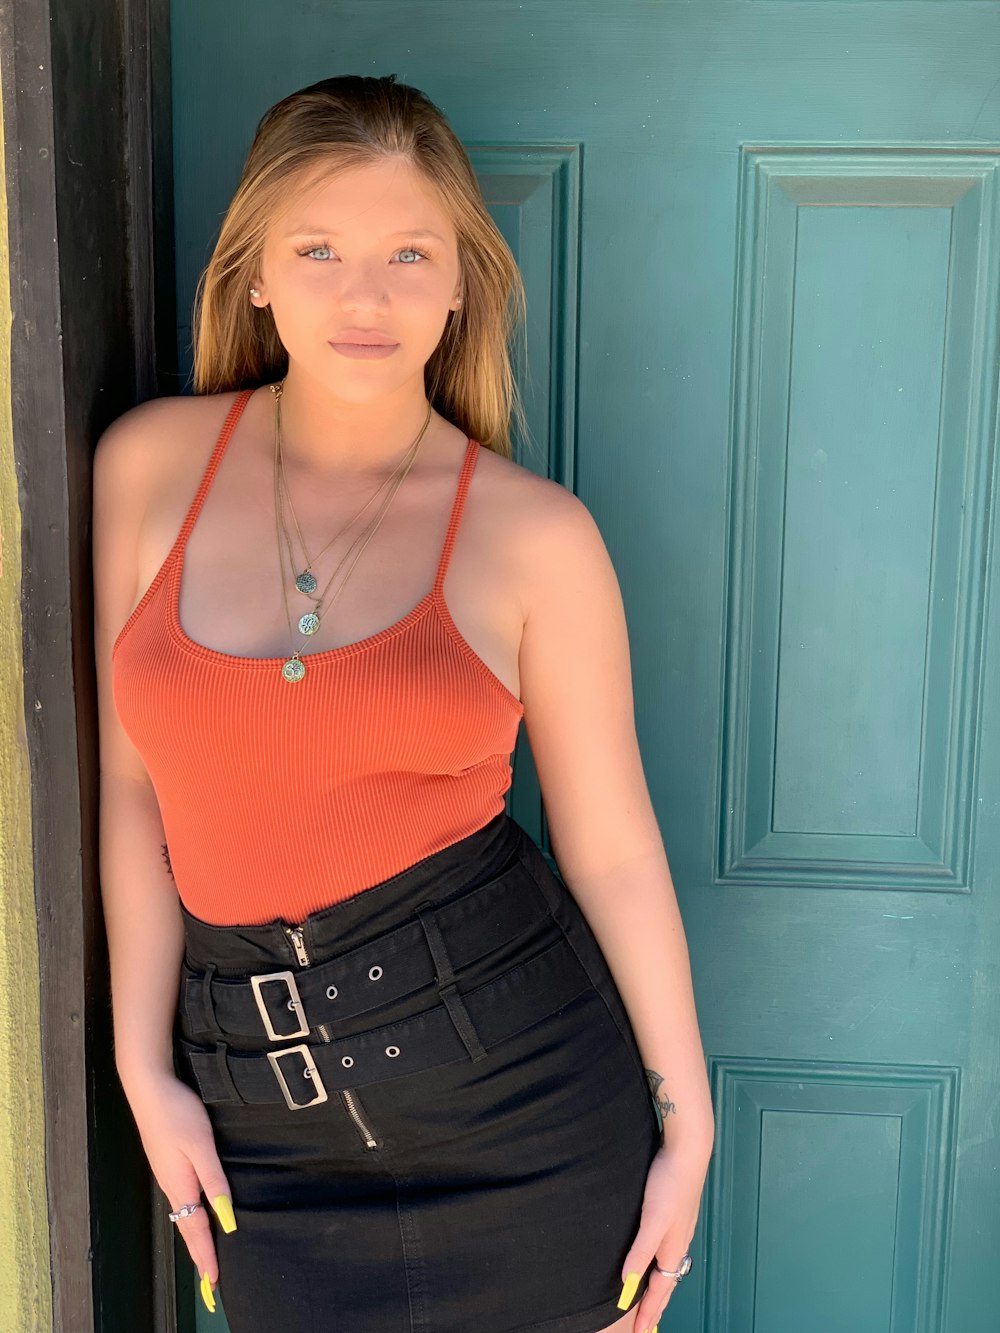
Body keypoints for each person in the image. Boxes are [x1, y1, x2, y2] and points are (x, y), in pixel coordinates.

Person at [92, 73, 714, 1333]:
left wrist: (687, 1121)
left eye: (406, 253)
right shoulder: (147, 467)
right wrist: (141, 1065)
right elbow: (126, 792)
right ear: (256, 271)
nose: (363, 294)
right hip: (257, 1120)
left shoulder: (536, 538)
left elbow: (611, 846)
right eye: (317, 249)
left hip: (526, 1107)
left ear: (457, 283)